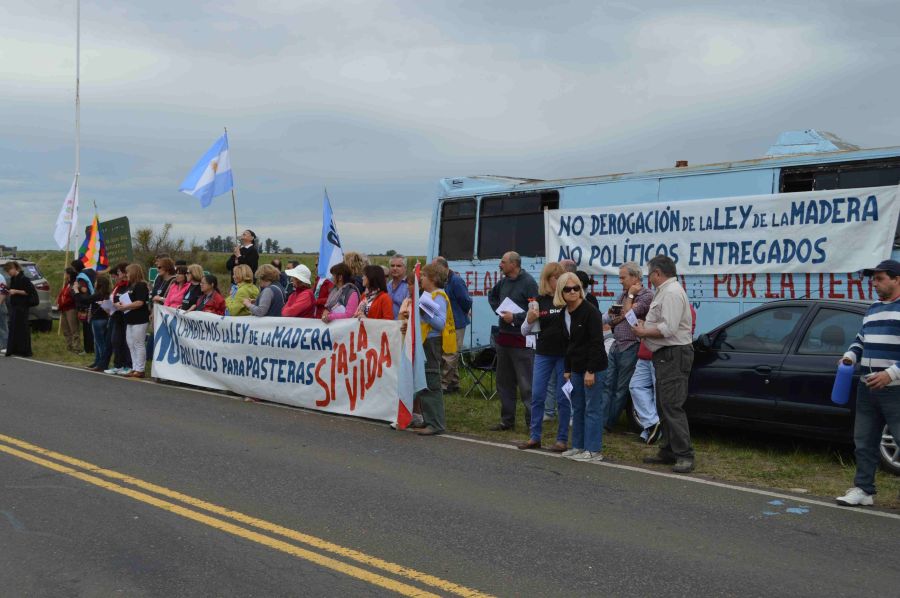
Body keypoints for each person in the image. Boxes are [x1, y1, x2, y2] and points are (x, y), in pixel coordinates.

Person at [836, 259, 900, 507]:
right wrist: (850, 356)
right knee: (863, 442)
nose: (874, 283)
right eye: (873, 279)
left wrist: (891, 374)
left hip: (895, 390)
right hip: (867, 387)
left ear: (896, 279)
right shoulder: (873, 308)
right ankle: (864, 490)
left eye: (880, 278)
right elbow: (861, 339)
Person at [634, 254, 696, 474]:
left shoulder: (671, 292)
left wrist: (643, 331)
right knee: (663, 403)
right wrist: (645, 326)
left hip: (674, 354)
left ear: (658, 273)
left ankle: (684, 455)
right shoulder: (665, 291)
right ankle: (669, 449)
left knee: (672, 405)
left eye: (649, 273)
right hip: (665, 354)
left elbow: (668, 329)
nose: (648, 277)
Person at [555, 272, 608, 462]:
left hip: (593, 367)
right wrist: (567, 369)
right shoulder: (564, 314)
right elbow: (567, 343)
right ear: (560, 291)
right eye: (567, 289)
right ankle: (578, 446)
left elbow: (596, 343)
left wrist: (590, 370)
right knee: (577, 408)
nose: (572, 292)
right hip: (575, 368)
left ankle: (594, 450)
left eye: (576, 288)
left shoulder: (591, 311)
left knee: (591, 408)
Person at [517, 262, 569, 452]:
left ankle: (562, 439)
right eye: (556, 278)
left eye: (561, 277)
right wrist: (530, 319)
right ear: (547, 280)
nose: (559, 281)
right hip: (544, 353)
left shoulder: (567, 300)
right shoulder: (538, 301)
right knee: (537, 395)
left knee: (563, 397)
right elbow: (524, 331)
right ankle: (534, 437)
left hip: (564, 355)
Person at [487, 251, 538, 431]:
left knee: (526, 385)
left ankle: (532, 423)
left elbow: (535, 311)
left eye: (503, 262)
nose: (500, 265)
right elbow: (491, 296)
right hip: (503, 340)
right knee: (504, 383)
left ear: (514, 264)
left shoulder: (529, 283)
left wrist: (515, 317)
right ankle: (507, 421)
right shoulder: (503, 282)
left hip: (522, 341)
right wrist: (500, 312)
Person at [603, 262, 655, 430]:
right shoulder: (622, 295)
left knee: (621, 388)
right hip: (616, 345)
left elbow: (629, 315)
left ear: (635, 277)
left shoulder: (647, 295)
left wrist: (631, 297)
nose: (620, 281)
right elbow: (614, 318)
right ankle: (602, 421)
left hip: (631, 346)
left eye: (623, 277)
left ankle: (609, 423)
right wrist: (621, 313)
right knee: (607, 384)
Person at [415, 263, 457, 436]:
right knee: (424, 380)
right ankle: (428, 418)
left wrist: (424, 312)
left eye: (423, 276)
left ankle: (436, 423)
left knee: (432, 381)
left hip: (432, 343)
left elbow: (439, 323)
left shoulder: (438, 296)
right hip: (425, 341)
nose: (421, 279)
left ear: (432, 278)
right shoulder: (428, 295)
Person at [434, 256, 472, 393]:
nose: (434, 272)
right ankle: (454, 384)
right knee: (450, 353)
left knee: (451, 354)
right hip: (447, 323)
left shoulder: (456, 281)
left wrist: (462, 313)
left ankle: (443, 385)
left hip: (457, 322)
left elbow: (466, 301)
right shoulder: (443, 280)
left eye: (436, 269)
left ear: (444, 267)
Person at [113, 264, 150, 379]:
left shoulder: (141, 285)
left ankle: (140, 369)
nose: (127, 274)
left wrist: (125, 306)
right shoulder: (130, 286)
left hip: (139, 319)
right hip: (129, 319)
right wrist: (120, 304)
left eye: (128, 272)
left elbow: (140, 302)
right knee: (130, 343)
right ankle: (134, 367)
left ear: (133, 273)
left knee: (138, 344)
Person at [2, 261, 38, 357]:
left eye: (9, 270)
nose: (8, 272)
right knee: (14, 328)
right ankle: (14, 349)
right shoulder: (13, 279)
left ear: (14, 268)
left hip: (22, 306)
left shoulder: (24, 279)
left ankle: (25, 350)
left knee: (23, 328)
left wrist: (16, 291)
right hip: (15, 306)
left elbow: (28, 292)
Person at [105, 263, 133, 375]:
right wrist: (107, 305)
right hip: (116, 316)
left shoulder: (130, 285)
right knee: (116, 341)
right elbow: (113, 298)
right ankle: (118, 364)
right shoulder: (119, 285)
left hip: (127, 316)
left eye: (119, 273)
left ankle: (128, 365)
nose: (118, 275)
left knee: (127, 342)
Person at [85, 273, 113, 372]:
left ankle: (102, 363)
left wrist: (76, 292)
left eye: (96, 282)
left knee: (100, 342)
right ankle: (97, 361)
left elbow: (85, 300)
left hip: (98, 320)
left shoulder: (97, 294)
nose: (95, 283)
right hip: (104, 319)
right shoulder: (106, 294)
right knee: (97, 342)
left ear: (99, 284)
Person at [57, 267, 82, 353]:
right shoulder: (67, 284)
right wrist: (59, 303)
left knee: (74, 328)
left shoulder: (74, 284)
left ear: (69, 275)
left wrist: (63, 303)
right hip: (64, 308)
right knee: (66, 329)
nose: (65, 275)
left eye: (66, 273)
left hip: (71, 309)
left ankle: (77, 347)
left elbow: (72, 297)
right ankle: (69, 346)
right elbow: (62, 294)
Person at [0, 268, 8, 355]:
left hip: (0, 305)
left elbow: (4, 291)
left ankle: (5, 346)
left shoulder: (0, 277)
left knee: (2, 326)